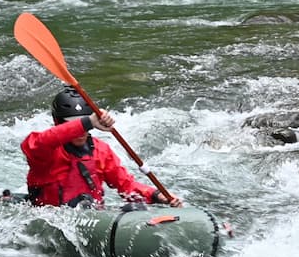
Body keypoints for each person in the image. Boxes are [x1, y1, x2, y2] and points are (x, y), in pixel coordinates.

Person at [21, 87, 182, 209]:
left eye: (85, 123)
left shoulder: (101, 151)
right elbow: (41, 141)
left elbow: (127, 186)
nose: (81, 132)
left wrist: (155, 195)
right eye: (72, 124)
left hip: (91, 215)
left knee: (135, 208)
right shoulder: (43, 150)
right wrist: (88, 122)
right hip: (52, 217)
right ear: (58, 122)